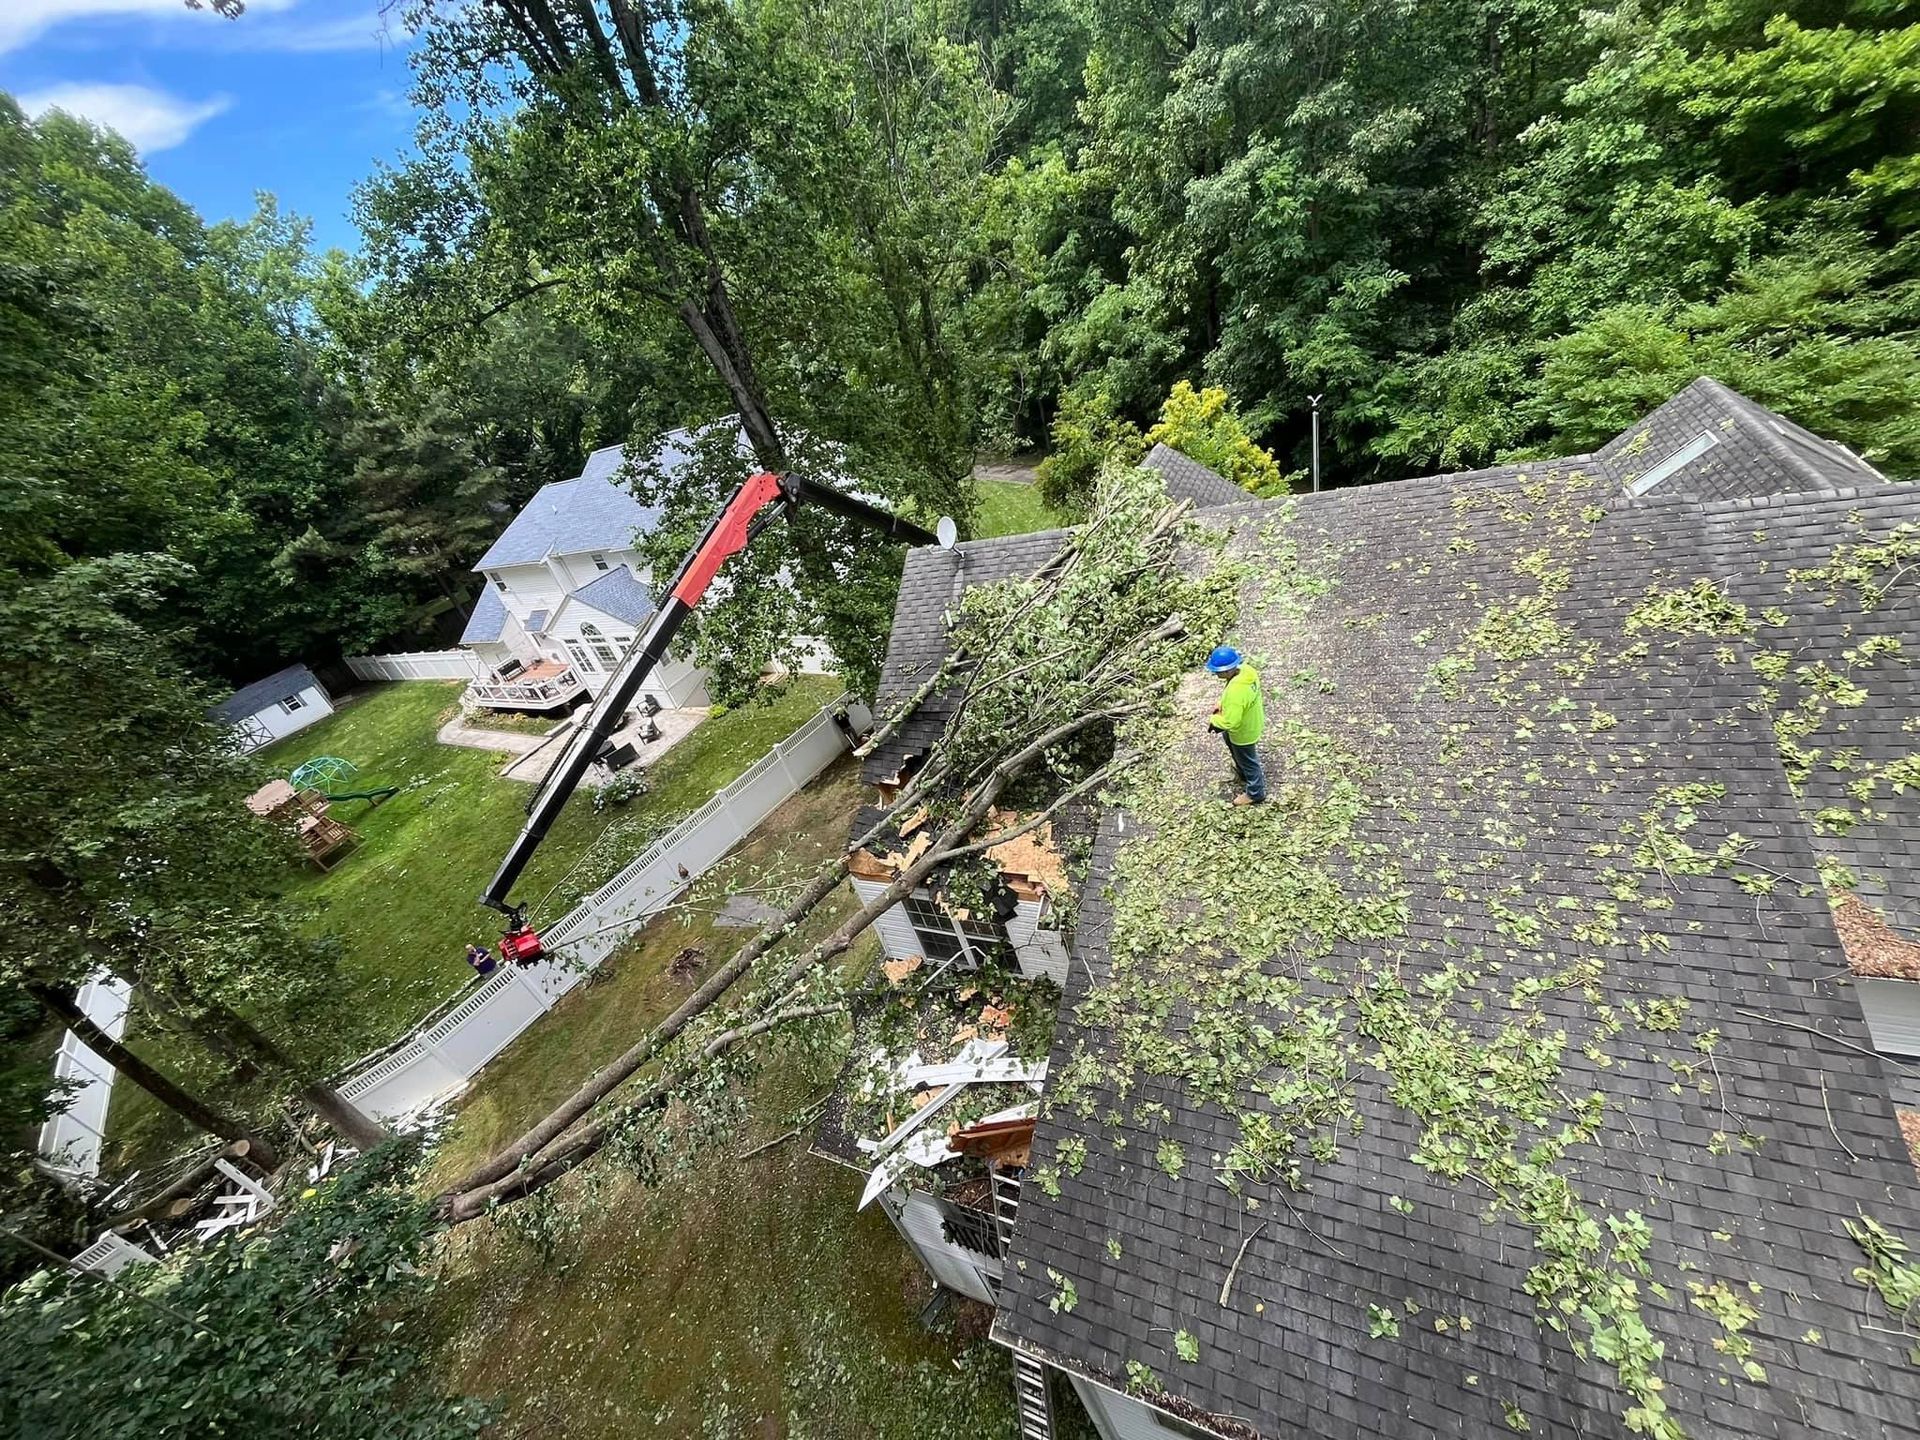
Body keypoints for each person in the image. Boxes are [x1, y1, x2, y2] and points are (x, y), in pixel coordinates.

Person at [1206, 645, 1266, 806]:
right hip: (1252, 720)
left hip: (1243, 732)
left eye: (1217, 671)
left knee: (1249, 761)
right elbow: (1235, 700)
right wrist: (1222, 704)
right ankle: (1242, 771)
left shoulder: (1236, 693)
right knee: (1232, 745)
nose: (1215, 673)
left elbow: (1231, 722)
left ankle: (1255, 793)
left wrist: (1213, 720)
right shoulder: (1246, 671)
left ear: (1227, 670)